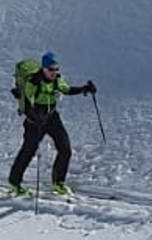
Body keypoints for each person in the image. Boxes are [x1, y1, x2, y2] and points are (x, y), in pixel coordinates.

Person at [8, 52, 95, 196]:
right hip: (34, 121)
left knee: (65, 149)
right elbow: (28, 105)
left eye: (56, 69)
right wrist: (35, 119)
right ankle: (15, 183)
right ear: (43, 69)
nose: (54, 72)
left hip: (51, 117)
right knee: (28, 151)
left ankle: (58, 183)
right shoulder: (33, 83)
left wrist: (84, 89)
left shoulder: (57, 80)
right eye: (51, 69)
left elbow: (66, 90)